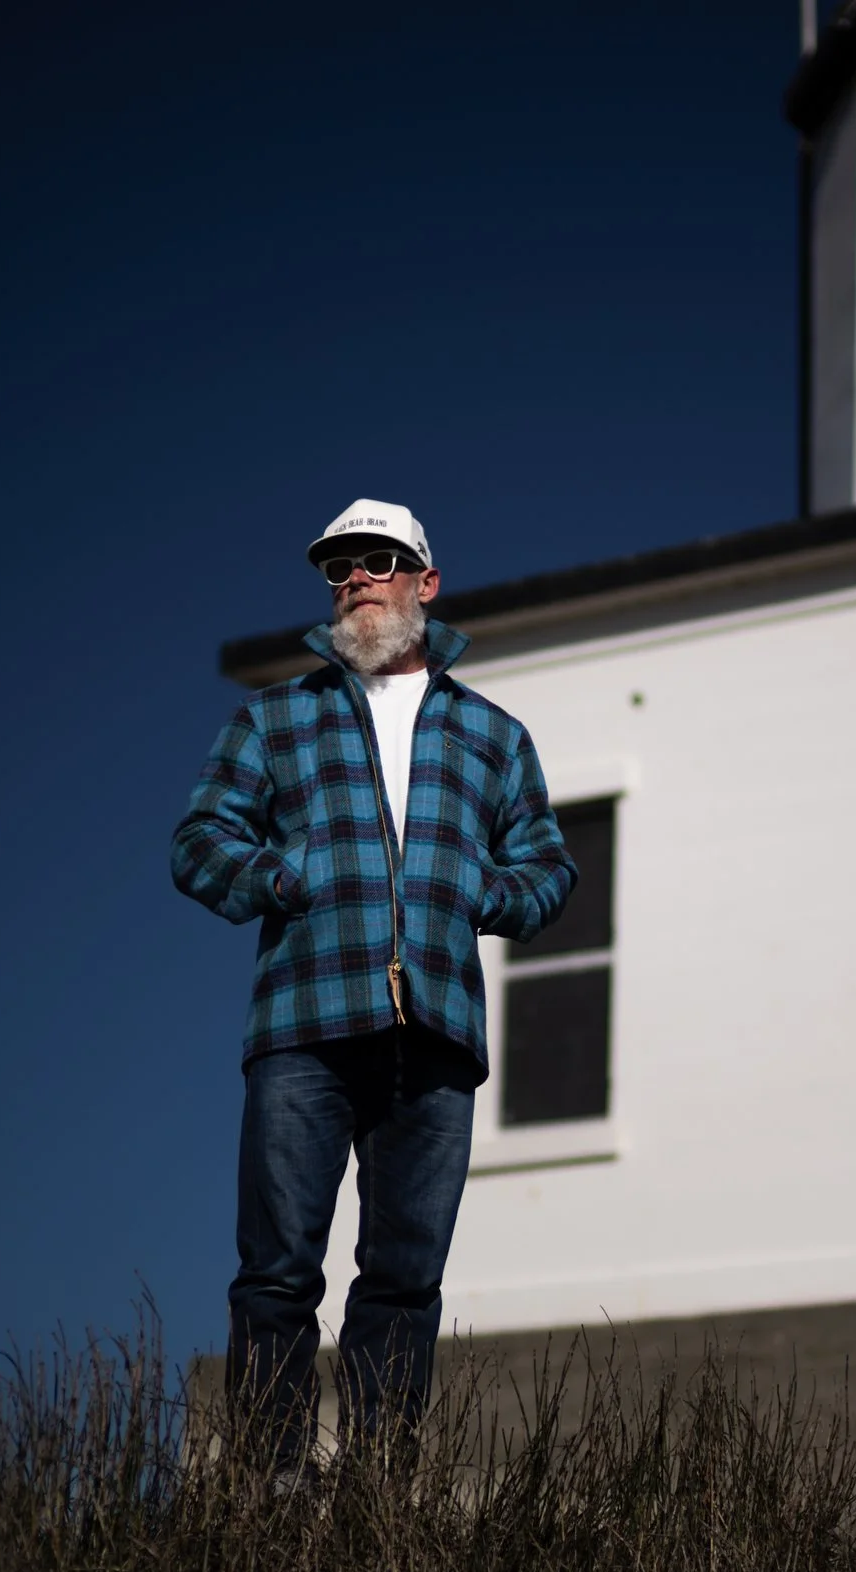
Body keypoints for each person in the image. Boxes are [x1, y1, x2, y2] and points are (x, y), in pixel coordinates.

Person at [171, 497, 576, 1478]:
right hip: (303, 1024)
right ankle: (267, 1482)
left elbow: (547, 868)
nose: (357, 576)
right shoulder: (276, 716)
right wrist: (280, 879)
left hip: (434, 1033)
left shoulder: (491, 734)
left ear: (424, 583)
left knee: (402, 1279)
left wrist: (480, 888)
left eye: (380, 559)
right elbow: (199, 842)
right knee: (276, 1273)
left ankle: (378, 1488)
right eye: (340, 564)